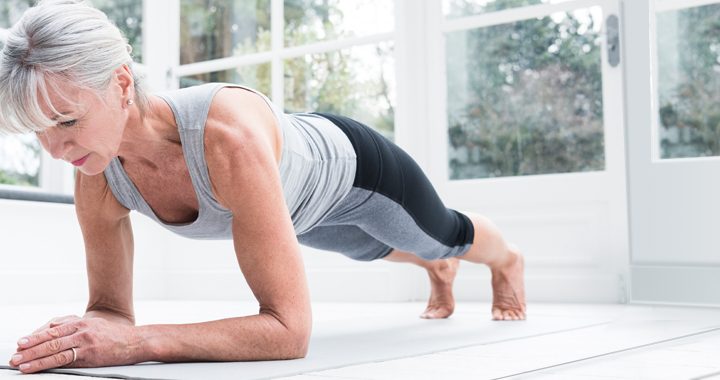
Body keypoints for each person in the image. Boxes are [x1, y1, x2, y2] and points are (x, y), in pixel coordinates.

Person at [0, 0, 525, 374]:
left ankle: (506, 262)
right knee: (375, 250)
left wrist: (139, 343)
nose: (54, 150)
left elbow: (289, 332)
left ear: (119, 84)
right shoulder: (97, 177)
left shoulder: (227, 140)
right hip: (298, 206)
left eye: (66, 121)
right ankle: (434, 269)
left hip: (357, 171)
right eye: (38, 131)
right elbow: (111, 313)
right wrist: (83, 339)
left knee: (443, 236)